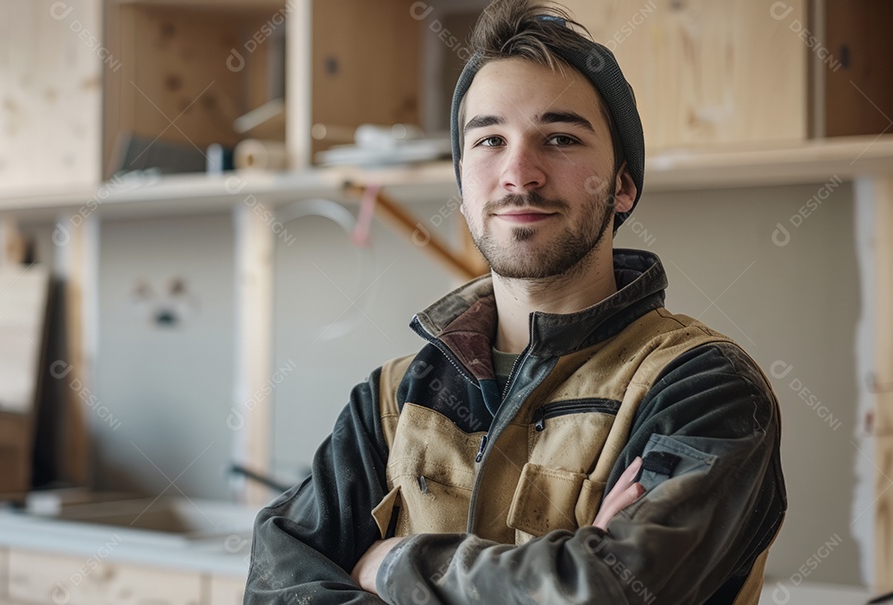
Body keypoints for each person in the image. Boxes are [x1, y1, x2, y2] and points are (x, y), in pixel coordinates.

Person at [245, 1, 787, 603]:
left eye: (559, 138)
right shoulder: (393, 399)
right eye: (489, 140)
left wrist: (394, 565)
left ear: (623, 185)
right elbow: (276, 582)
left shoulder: (703, 388)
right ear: (461, 180)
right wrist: (558, 573)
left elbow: (609, 590)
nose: (519, 173)